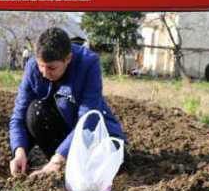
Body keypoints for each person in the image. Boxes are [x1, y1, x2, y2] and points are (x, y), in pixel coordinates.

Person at [8, 27, 127, 178]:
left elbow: (88, 118)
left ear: (68, 59)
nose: (44, 73)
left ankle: (63, 160)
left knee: (107, 164)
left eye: (51, 68)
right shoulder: (32, 67)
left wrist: (58, 159)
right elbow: (18, 116)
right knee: (34, 111)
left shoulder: (88, 64)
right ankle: (61, 160)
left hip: (89, 131)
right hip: (62, 130)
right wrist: (18, 151)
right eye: (41, 66)